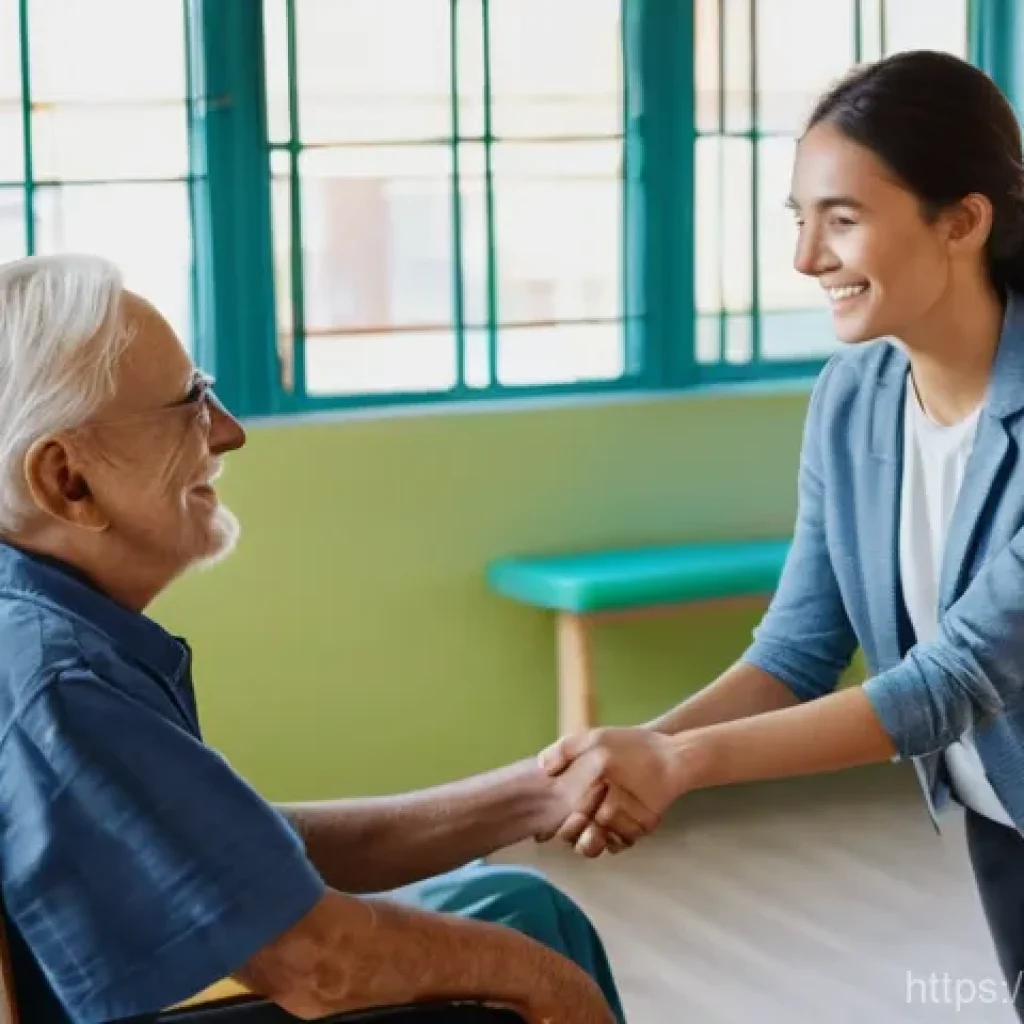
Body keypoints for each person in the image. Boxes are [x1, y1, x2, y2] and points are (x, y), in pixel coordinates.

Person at [0, 254, 628, 1024]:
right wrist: (551, 984)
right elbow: (319, 964)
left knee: (512, 903)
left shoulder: (42, 625)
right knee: (528, 940)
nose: (228, 433)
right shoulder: (60, 679)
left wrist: (537, 795)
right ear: (67, 480)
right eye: (189, 405)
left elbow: (244, 854)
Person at [537, 49, 1024, 1020]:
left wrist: (678, 765)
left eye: (841, 220)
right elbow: (798, 649)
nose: (806, 258)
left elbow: (958, 677)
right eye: (798, 220)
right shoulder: (853, 399)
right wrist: (633, 750)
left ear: (962, 220)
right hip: (998, 813)